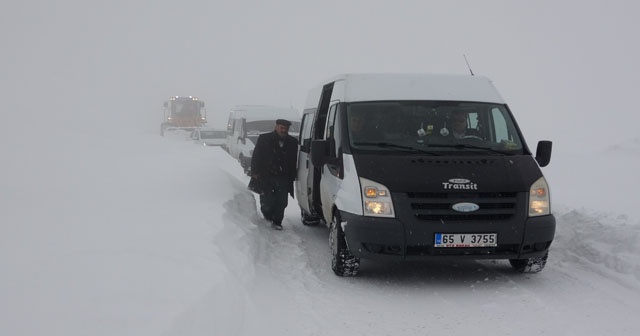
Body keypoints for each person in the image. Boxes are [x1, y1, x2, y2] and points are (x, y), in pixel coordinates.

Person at [249, 119, 298, 230]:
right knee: (267, 201)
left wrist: (293, 175)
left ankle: (277, 222)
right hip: (267, 176)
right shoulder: (264, 139)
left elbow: (294, 160)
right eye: (281, 127)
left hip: (284, 178)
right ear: (276, 127)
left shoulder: (293, 142)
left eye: (285, 128)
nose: (283, 130)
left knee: (282, 202)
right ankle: (268, 217)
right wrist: (255, 172)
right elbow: (256, 156)